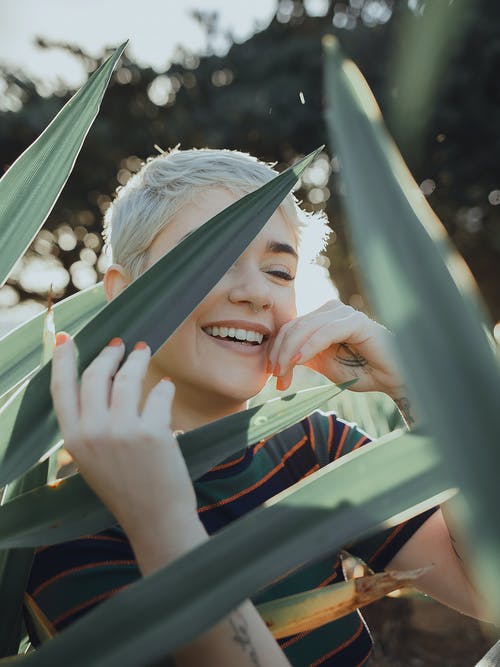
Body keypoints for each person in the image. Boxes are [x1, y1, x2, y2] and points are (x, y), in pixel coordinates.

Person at [26, 148, 482, 666]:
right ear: (126, 295)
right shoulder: (62, 516)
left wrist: (417, 390)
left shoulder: (311, 445)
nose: (255, 293)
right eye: (212, 257)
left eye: (279, 271)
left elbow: (486, 587)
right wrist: (160, 522)